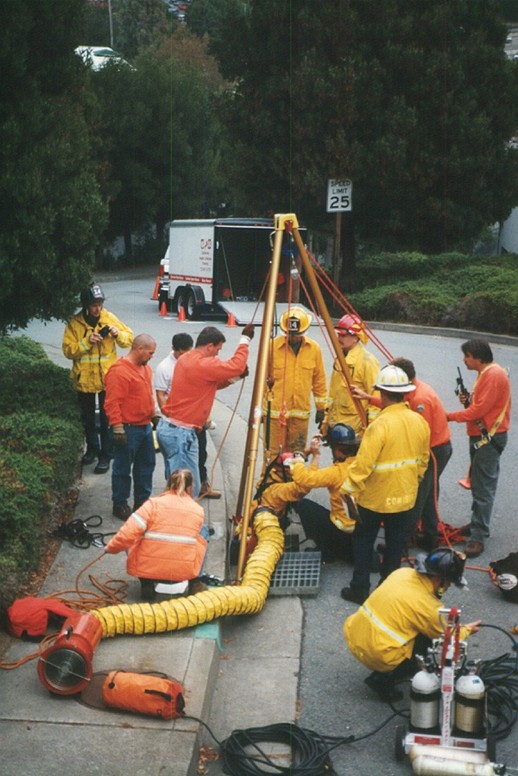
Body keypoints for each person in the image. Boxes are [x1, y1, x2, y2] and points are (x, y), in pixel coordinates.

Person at [340, 365, 430, 604]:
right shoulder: (419, 422)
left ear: (381, 393)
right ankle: (387, 592)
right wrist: (413, 482)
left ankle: (359, 588)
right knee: (395, 545)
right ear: (405, 393)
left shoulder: (379, 425)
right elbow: (423, 461)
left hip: (375, 498)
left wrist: (348, 488)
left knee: (363, 540)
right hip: (404, 497)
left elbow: (363, 465)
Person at [344, 549, 481, 702]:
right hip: (377, 653)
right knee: (427, 640)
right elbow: (446, 634)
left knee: (412, 624)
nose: (448, 586)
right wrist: (468, 630)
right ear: (439, 579)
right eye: (449, 582)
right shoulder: (429, 608)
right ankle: (384, 679)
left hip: (354, 635)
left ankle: (387, 668)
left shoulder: (402, 573)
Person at [353, 357, 452, 551]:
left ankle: (404, 541)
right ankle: (429, 536)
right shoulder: (412, 391)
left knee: (418, 493)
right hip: (435, 446)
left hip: (434, 449)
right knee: (428, 493)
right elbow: (395, 404)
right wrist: (368, 398)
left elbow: (417, 435)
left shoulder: (421, 398)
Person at [157, 324, 254, 498]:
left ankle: (186, 518)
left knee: (186, 484)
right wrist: (245, 339)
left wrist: (236, 378)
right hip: (181, 433)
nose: (218, 353)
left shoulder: (186, 359)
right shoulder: (202, 363)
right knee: (183, 489)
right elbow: (237, 365)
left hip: (178, 431)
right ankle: (181, 521)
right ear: (209, 346)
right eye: (218, 349)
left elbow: (211, 384)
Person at [447, 338, 511, 559]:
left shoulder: (493, 375)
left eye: (467, 356)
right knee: (479, 483)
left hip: (488, 437)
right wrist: (469, 399)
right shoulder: (487, 374)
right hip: (482, 436)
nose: (464, 360)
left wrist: (448, 416)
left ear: (477, 356)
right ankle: (477, 525)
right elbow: (482, 404)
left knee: (483, 487)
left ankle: (478, 536)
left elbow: (477, 411)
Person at [105, 468, 208, 602]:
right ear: (190, 488)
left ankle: (146, 584)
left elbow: (126, 534)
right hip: (181, 573)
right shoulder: (197, 510)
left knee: (135, 532)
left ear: (169, 484)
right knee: (203, 531)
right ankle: (195, 583)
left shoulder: (152, 505)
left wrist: (110, 548)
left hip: (149, 571)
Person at [62, 282, 133, 474]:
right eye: (94, 305)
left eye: (100, 304)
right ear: (86, 305)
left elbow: (129, 338)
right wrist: (86, 342)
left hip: (107, 379)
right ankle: (92, 450)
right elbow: (68, 350)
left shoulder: (108, 318)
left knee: (107, 417)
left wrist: (118, 335)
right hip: (84, 379)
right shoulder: (75, 323)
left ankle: (105, 455)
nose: (98, 308)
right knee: (87, 418)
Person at [154, 332, 221, 499]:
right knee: (178, 468)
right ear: (174, 350)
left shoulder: (193, 362)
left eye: (188, 351)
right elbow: (160, 394)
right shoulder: (164, 367)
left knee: (200, 456)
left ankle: (202, 485)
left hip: (194, 423)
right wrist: (167, 413)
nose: (185, 355)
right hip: (177, 424)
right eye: (182, 353)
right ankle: (176, 497)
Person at [263, 306, 327, 463]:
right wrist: (259, 410)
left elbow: (319, 381)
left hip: (300, 414)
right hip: (275, 414)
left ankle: (292, 485)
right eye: (290, 334)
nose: (294, 338)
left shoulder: (314, 349)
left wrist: (321, 409)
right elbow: (263, 380)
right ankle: (271, 484)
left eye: (297, 334)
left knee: (296, 455)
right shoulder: (272, 347)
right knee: (272, 454)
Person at [104, 333, 158, 520]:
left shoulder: (145, 369)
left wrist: (153, 415)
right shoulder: (119, 372)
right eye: (150, 353)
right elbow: (112, 403)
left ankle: (142, 503)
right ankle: (120, 504)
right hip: (128, 429)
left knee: (146, 467)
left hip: (144, 427)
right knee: (123, 468)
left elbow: (147, 395)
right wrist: (117, 427)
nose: (152, 356)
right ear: (139, 349)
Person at [289, 424, 361, 562]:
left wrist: (303, 456)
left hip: (343, 535)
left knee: (304, 505)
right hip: (361, 535)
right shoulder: (362, 465)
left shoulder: (335, 473)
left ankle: (328, 550)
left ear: (338, 450)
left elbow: (303, 480)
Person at [322, 313, 380, 438]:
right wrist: (326, 421)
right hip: (336, 426)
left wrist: (370, 429)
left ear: (356, 337)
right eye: (338, 334)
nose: (339, 338)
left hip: (355, 430)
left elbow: (375, 397)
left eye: (343, 335)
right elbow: (333, 394)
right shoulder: (340, 359)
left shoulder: (367, 362)